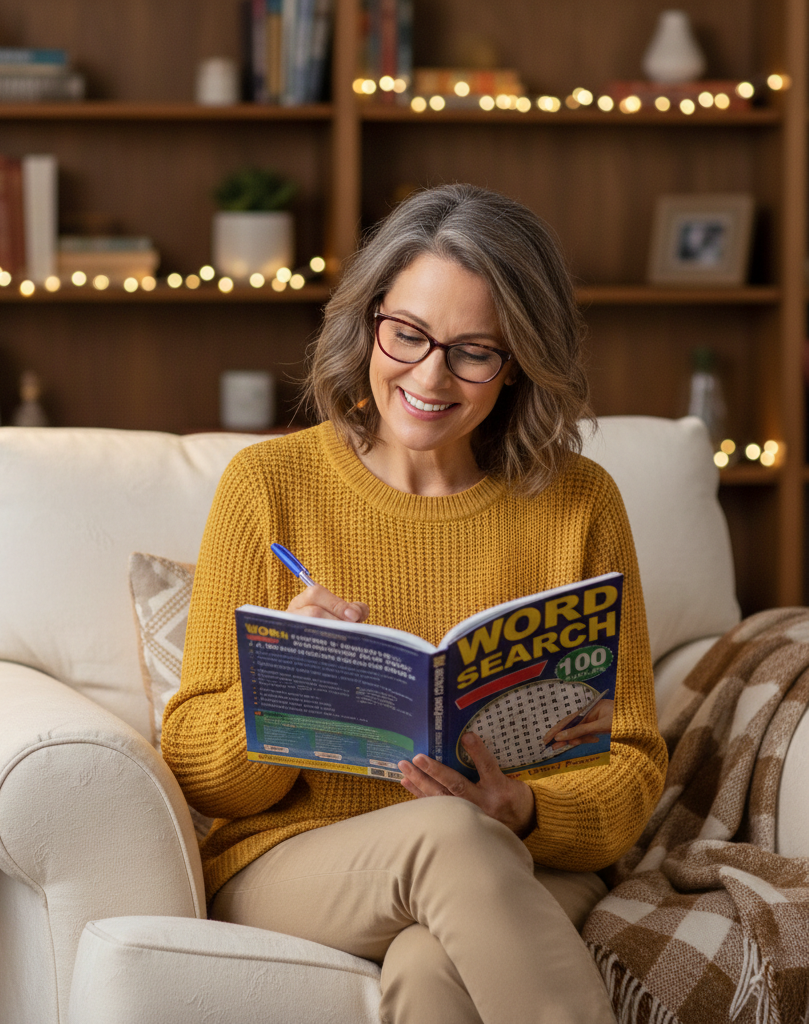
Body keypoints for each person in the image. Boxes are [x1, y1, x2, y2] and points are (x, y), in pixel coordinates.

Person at [161, 183, 668, 1024]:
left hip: (519, 858)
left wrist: (524, 808)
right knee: (451, 837)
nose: (430, 375)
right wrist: (285, 685)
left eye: (474, 352)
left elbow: (632, 762)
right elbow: (197, 771)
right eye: (408, 334)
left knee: (433, 967)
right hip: (301, 859)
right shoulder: (268, 486)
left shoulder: (580, 502)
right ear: (370, 321)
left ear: (518, 362)